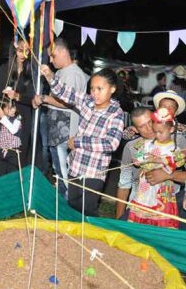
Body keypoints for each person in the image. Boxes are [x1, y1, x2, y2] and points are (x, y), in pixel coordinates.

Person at [41, 66, 124, 216]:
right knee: (73, 204)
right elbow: (65, 92)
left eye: (100, 88)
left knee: (88, 209)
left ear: (112, 89)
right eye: (92, 88)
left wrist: (79, 142)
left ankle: (91, 237)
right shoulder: (87, 102)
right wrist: (50, 76)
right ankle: (75, 236)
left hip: (94, 171)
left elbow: (111, 143)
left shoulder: (116, 114)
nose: (95, 93)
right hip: (76, 166)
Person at [116, 91, 186, 220]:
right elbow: (124, 184)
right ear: (135, 129)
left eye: (150, 122)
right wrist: (119, 222)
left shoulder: (179, 141)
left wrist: (168, 175)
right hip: (139, 202)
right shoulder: (132, 147)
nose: (149, 129)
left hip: (170, 203)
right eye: (142, 126)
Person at [32, 38, 87, 198]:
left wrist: (44, 98)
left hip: (66, 129)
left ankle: (66, 205)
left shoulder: (73, 73)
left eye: (53, 56)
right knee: (58, 168)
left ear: (64, 52)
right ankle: (62, 201)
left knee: (65, 170)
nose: (50, 60)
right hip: (57, 128)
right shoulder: (62, 72)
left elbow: (69, 102)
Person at [127, 107, 184, 228]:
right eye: (142, 126)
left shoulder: (174, 148)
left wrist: (159, 160)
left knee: (160, 217)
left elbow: (174, 162)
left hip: (161, 190)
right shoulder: (147, 143)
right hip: (144, 187)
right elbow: (141, 154)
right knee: (140, 212)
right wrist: (138, 160)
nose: (155, 133)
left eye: (160, 132)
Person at [0, 39, 35, 167]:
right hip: (4, 116)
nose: (23, 54)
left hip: (22, 118)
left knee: (18, 157)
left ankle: (17, 185)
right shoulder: (5, 69)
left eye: (27, 51)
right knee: (2, 156)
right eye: (20, 50)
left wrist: (17, 96)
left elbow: (33, 99)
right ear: (14, 50)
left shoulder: (32, 72)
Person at [0, 97, 22, 177]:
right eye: (9, 108)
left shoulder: (17, 119)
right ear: (1, 109)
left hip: (12, 152)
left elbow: (13, 130)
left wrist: (3, 117)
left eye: (14, 107)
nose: (13, 109)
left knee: (12, 176)